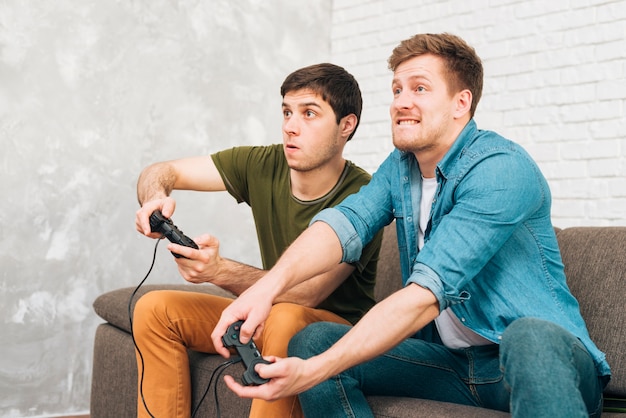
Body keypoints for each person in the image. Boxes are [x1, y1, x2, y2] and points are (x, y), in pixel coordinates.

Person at [210, 33, 611, 418]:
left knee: (531, 336)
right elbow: (342, 225)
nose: (401, 101)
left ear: (461, 103)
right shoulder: (401, 169)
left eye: (419, 88)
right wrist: (267, 288)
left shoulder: (501, 169)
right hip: (452, 366)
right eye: (397, 89)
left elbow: (426, 292)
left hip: (541, 365)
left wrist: (315, 371)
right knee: (313, 341)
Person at [133, 63, 383, 418]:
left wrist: (219, 271)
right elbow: (160, 171)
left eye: (309, 113)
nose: (290, 127)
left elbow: (306, 293)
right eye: (286, 112)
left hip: (331, 331)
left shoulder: (364, 195)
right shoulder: (263, 163)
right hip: (267, 313)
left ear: (346, 126)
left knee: (285, 316)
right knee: (154, 309)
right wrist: (154, 197)